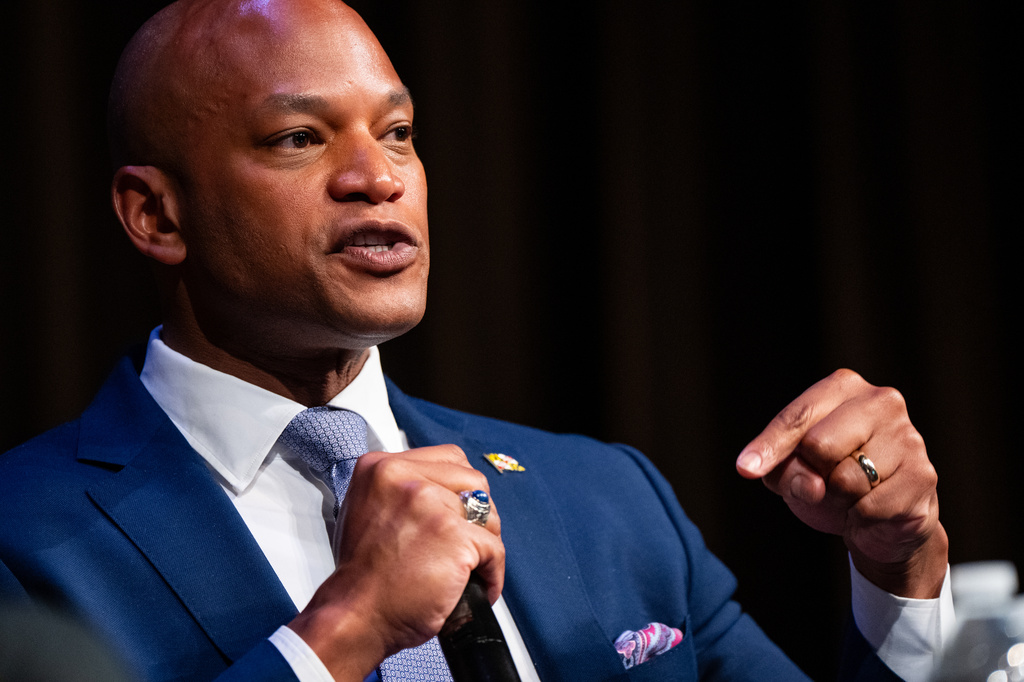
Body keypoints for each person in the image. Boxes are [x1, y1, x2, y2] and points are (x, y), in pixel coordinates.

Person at [0, 1, 953, 680]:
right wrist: (340, 634)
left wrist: (898, 573)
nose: (378, 177)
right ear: (155, 215)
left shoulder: (609, 500)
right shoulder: (23, 539)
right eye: (299, 138)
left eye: (401, 132)